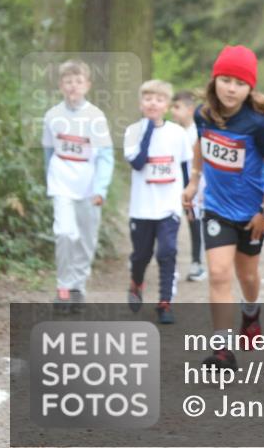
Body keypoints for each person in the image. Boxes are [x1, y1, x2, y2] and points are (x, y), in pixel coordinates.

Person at [182, 45, 264, 370]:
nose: (231, 88)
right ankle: (222, 349)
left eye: (239, 83)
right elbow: (200, 144)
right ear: (215, 80)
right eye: (225, 80)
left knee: (248, 276)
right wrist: (195, 180)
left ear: (249, 88)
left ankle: (251, 312)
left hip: (252, 213)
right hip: (216, 209)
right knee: (218, 273)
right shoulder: (203, 115)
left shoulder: (256, 125)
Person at [41, 59, 114, 309]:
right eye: (68, 81)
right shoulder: (52, 115)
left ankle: (77, 287)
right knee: (64, 233)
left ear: (87, 85)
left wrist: (101, 189)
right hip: (61, 181)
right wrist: (48, 181)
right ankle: (63, 286)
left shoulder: (95, 116)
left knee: (85, 238)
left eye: (78, 81)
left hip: (88, 184)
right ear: (61, 85)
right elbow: (48, 152)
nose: (73, 86)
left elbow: (105, 156)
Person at [124, 80, 192, 324]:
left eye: (159, 99)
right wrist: (149, 130)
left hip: (169, 206)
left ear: (167, 105)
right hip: (142, 208)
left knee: (167, 251)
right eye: (148, 98)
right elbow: (138, 162)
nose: (153, 103)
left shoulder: (178, 133)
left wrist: (188, 198)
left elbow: (185, 167)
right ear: (141, 104)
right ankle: (136, 282)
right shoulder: (132, 131)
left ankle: (165, 302)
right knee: (141, 255)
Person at [171, 90, 207, 281]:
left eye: (177, 107)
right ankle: (170, 263)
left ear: (190, 109)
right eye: (172, 107)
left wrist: (195, 185)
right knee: (171, 223)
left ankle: (197, 263)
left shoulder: (197, 133)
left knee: (195, 222)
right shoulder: (172, 131)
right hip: (174, 185)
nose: (173, 111)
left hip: (194, 186)